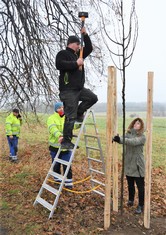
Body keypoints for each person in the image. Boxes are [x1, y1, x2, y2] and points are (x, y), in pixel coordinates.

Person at [56, 27, 98, 150]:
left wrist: (85, 35)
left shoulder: (78, 55)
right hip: (68, 90)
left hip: (79, 89)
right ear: (71, 43)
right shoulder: (63, 54)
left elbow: (89, 48)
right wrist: (76, 63)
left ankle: (80, 112)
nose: (79, 46)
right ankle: (66, 141)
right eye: (78, 44)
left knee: (92, 98)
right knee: (70, 116)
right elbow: (59, 65)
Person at [113, 118, 146, 214]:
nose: (136, 125)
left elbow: (133, 142)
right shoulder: (127, 134)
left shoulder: (142, 137)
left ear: (141, 126)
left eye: (138, 123)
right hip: (128, 163)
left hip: (137, 165)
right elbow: (123, 140)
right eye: (135, 123)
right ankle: (131, 200)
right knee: (130, 185)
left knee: (140, 187)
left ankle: (141, 205)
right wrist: (117, 138)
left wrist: (121, 140)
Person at [47, 102, 73, 189]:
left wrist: (81, 120)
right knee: (56, 164)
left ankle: (68, 183)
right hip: (55, 147)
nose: (62, 109)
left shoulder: (68, 117)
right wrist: (59, 135)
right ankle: (57, 181)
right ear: (56, 109)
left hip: (66, 146)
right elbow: (52, 128)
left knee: (67, 164)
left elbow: (74, 126)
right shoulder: (51, 118)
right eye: (59, 108)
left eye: (63, 107)